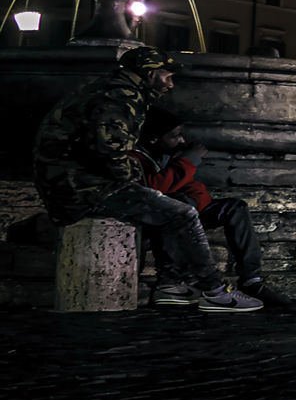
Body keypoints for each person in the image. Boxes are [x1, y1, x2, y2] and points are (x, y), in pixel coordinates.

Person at [30, 46, 261, 314]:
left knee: (165, 205)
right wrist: (133, 182)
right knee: (181, 213)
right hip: (84, 188)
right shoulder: (119, 96)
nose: (170, 84)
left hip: (72, 183)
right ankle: (214, 291)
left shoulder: (106, 89)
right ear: (150, 73)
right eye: (167, 77)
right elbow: (110, 150)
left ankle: (175, 285)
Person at [139, 119, 264, 298]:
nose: (181, 140)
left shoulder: (167, 155)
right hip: (164, 219)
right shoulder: (137, 158)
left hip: (194, 211)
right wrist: (188, 160)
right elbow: (156, 189)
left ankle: (252, 279)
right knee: (180, 202)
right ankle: (171, 283)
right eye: (175, 136)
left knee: (235, 208)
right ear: (153, 139)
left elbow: (195, 191)